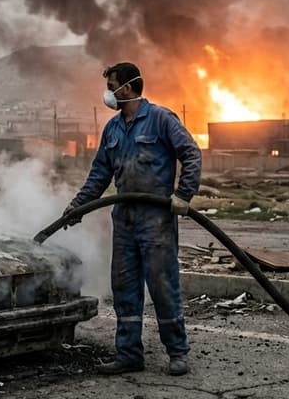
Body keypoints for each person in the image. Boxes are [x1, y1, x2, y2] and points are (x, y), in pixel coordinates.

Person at [67, 62, 202, 376]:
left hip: (156, 220)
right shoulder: (113, 129)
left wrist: (183, 194)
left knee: (162, 286)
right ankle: (129, 354)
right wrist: (77, 206)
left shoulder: (160, 120)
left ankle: (177, 352)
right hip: (125, 219)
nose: (108, 92)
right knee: (124, 288)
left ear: (126, 88)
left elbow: (191, 154)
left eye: (112, 84)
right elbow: (99, 175)